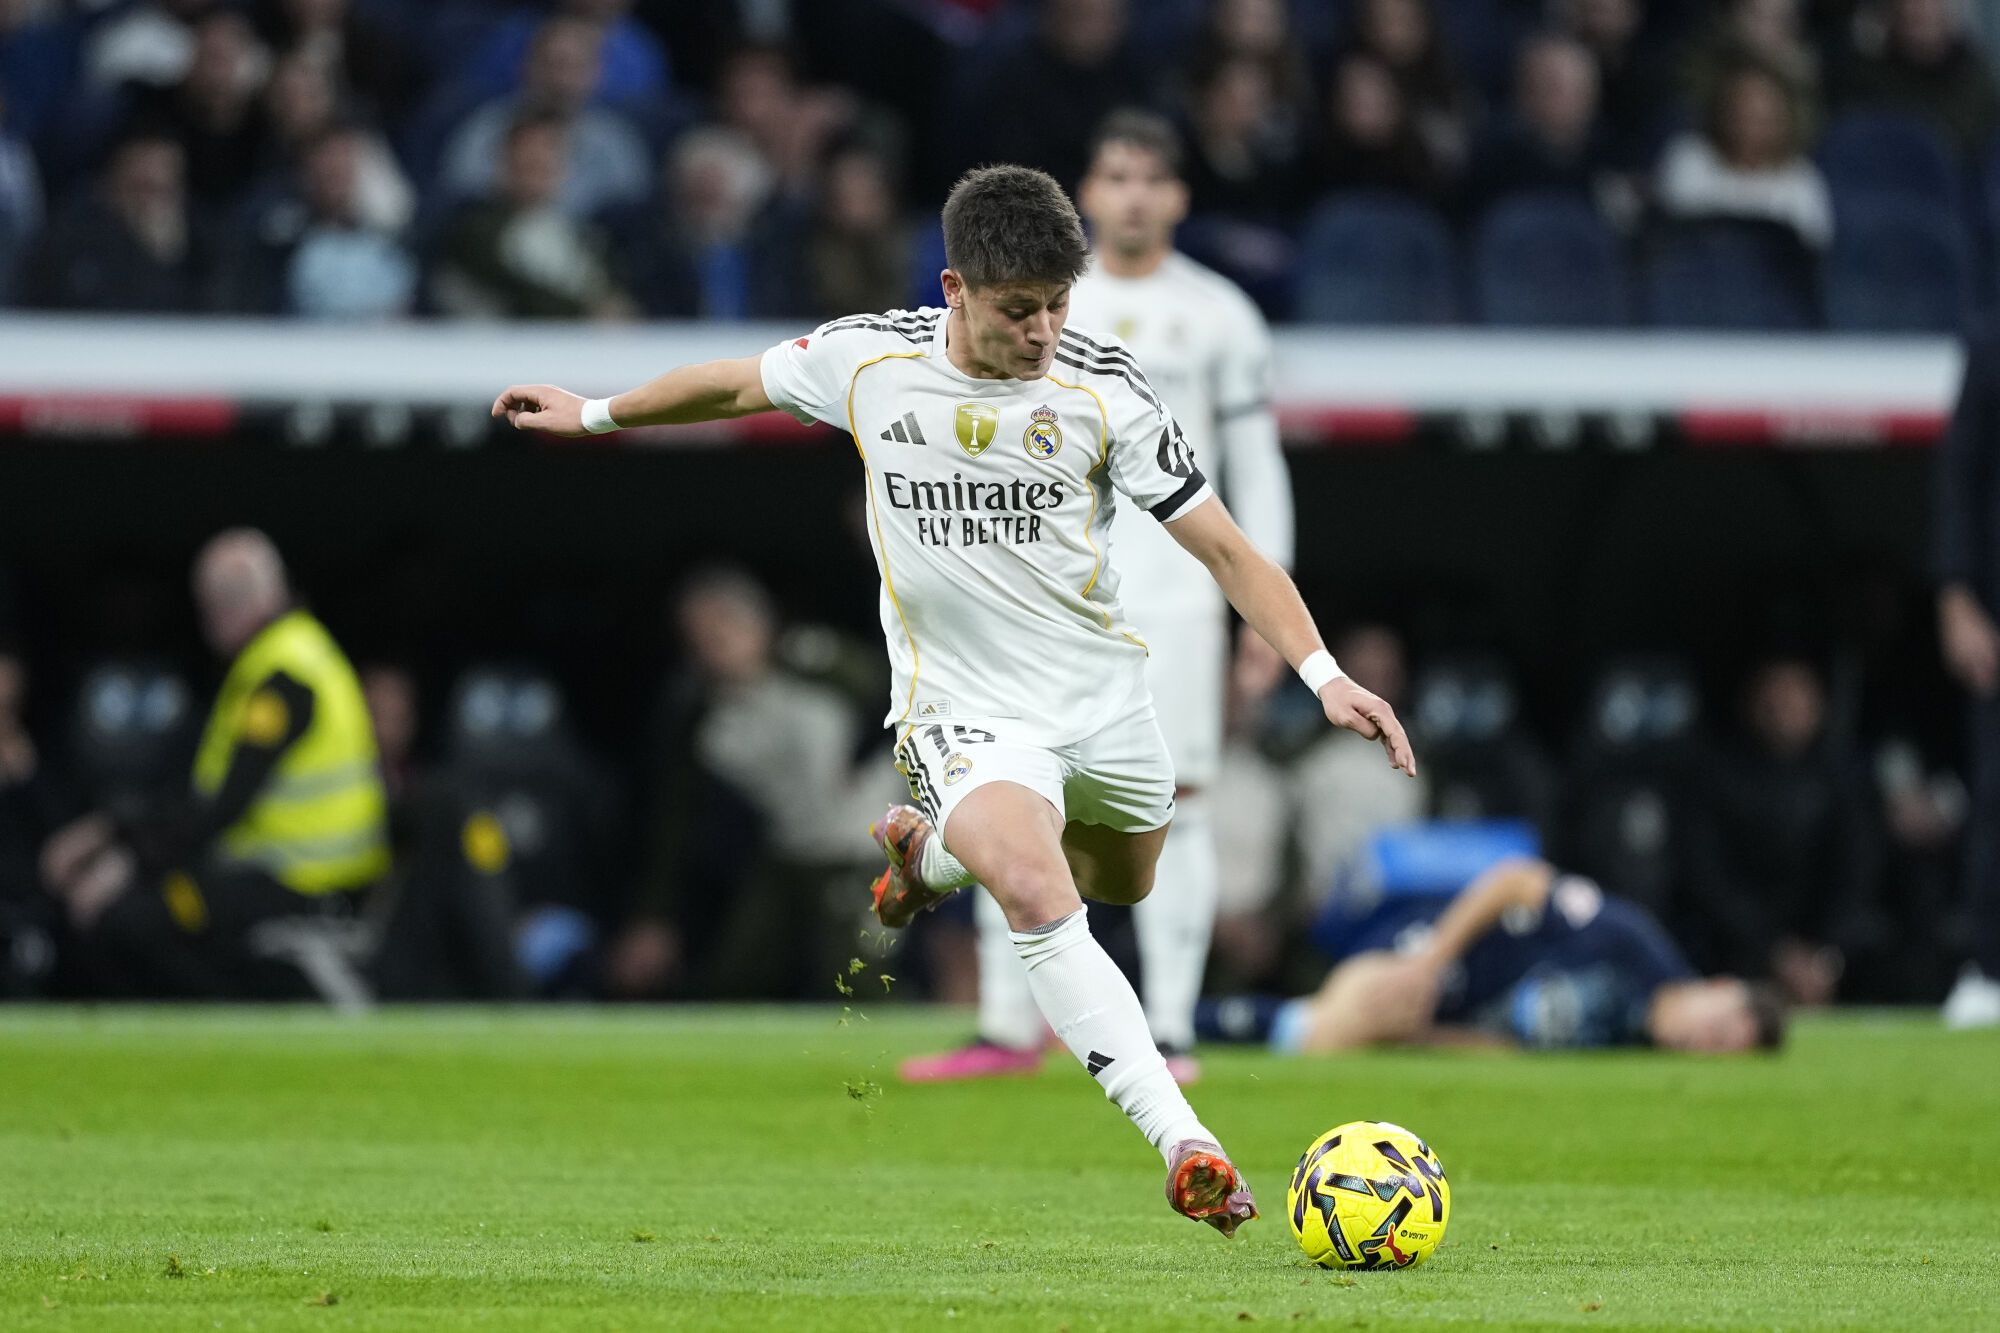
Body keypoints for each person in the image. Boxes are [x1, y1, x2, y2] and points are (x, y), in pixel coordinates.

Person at [492, 162, 1415, 1237]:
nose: (1042, 332)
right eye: (1019, 309)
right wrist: (595, 414)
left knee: (1124, 875)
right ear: (954, 289)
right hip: (963, 713)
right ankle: (1185, 1142)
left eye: (1057, 305)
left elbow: (1225, 549)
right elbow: (736, 384)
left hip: (1102, 702)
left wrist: (1323, 674)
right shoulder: (870, 359)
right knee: (1033, 886)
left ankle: (926, 860)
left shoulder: (1102, 388)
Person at [904, 112, 1294, 1086]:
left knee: (1181, 804)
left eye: (1151, 179)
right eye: (1116, 176)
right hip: (1036, 596)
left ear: (1179, 197)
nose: (1132, 196)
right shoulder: (1032, 299)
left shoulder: (1219, 316)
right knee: (1009, 795)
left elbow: (1256, 465)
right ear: (1087, 190)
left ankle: (1170, 1029)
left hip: (1173, 599)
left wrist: (1266, 610)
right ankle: (1007, 1028)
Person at [40, 530, 389, 997]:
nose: (215, 617)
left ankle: (238, 1016)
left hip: (305, 883)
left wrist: (128, 862)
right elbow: (197, 795)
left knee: (130, 918)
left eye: (226, 600)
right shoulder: (281, 656)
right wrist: (111, 830)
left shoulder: (283, 677)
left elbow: (223, 808)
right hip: (274, 874)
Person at [1197, 856, 1788, 1053]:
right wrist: (1428, 964)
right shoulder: (1633, 944)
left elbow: (1507, 1044)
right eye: (1718, 1026)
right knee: (1325, 1034)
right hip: (1442, 949)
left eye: (1717, 1048)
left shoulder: (1632, 1042)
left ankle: (1182, 1027)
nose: (1702, 1041)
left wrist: (1428, 1037)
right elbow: (1517, 880)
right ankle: (1178, 1027)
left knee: (1324, 1035)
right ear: (1719, 985)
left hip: (1453, 1012)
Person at [1934, 330, 2000, 1027]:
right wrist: (1957, 594)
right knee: (1996, 796)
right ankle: (1990, 966)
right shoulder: (1992, 344)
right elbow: (1961, 474)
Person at [1655, 57, 1832, 251]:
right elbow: (1670, 243)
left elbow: (1809, 255)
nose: (1749, 125)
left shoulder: (1802, 181)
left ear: (1783, 119)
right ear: (1722, 110)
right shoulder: (1688, 158)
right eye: (1742, 111)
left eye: (1762, 117)